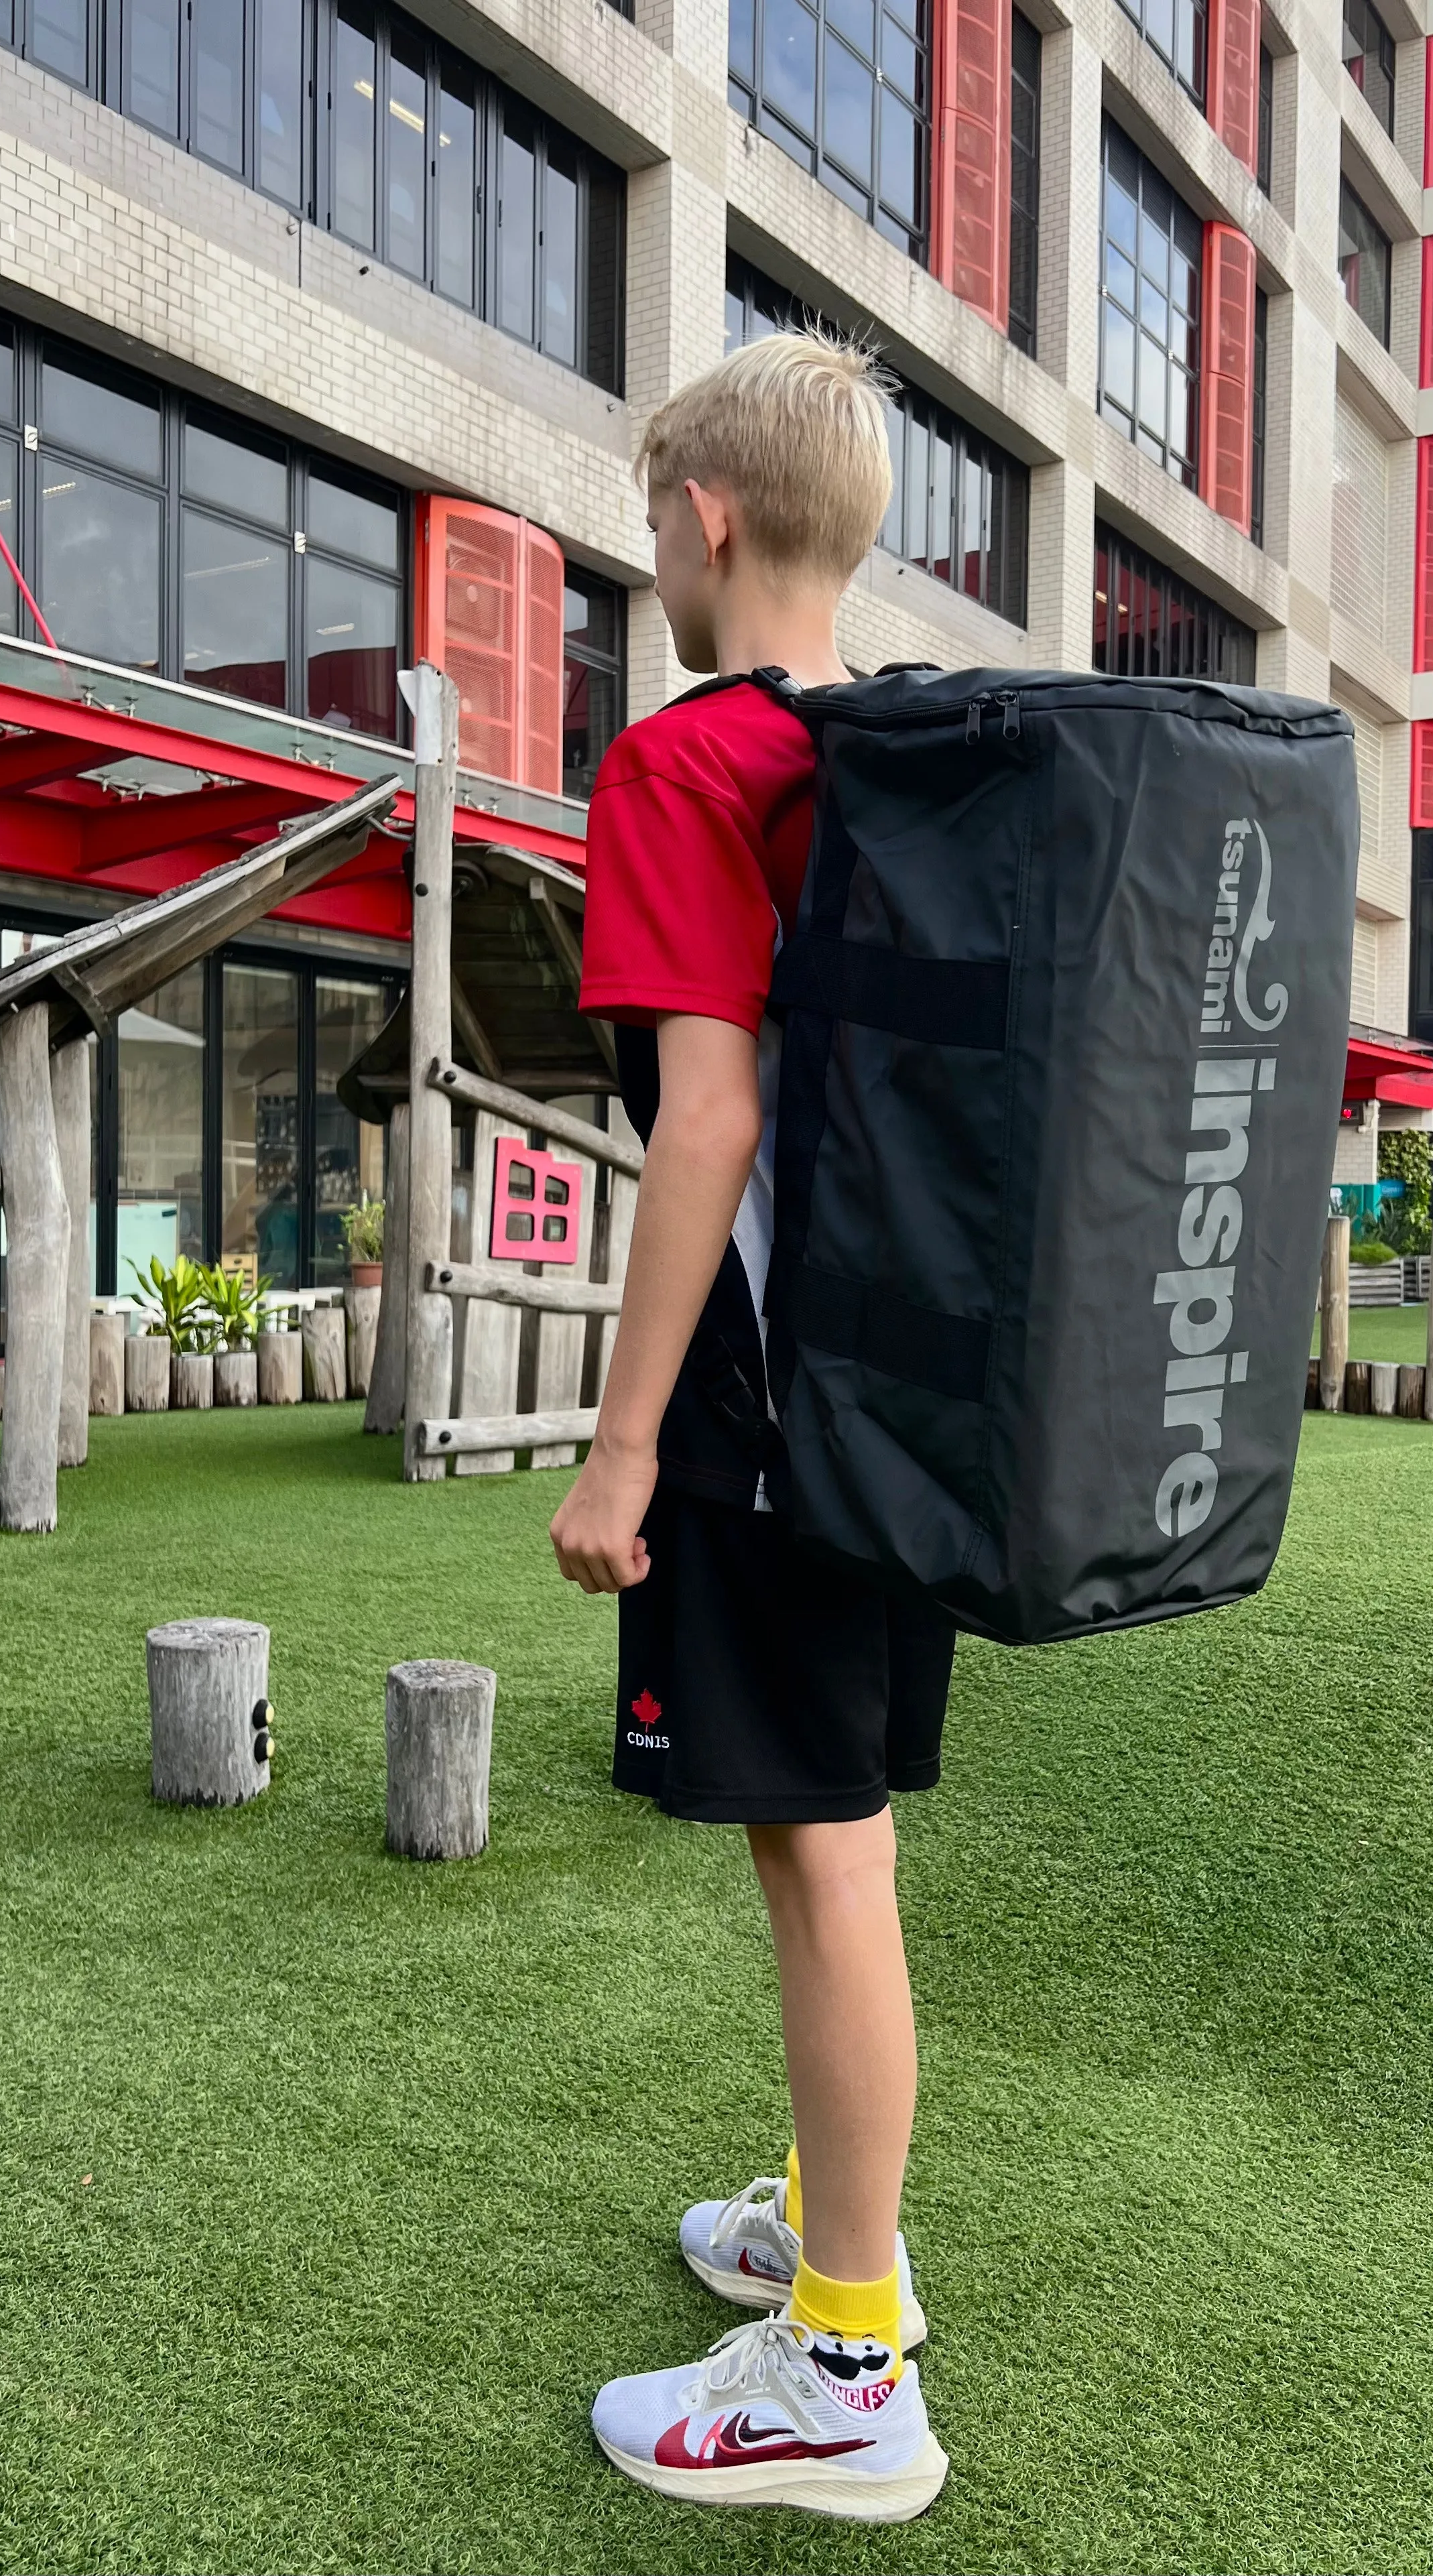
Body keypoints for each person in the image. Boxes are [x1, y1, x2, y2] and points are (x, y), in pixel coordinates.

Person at [548, 329, 956, 2525]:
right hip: (901, 1410)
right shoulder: (887, 762)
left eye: (650, 524)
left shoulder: (687, 764)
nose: (656, 556)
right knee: (845, 1839)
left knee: (814, 1858)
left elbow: (701, 1121)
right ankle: (830, 2230)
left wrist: (620, 1450)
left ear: (704, 518)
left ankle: (848, 2367)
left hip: (766, 1409)